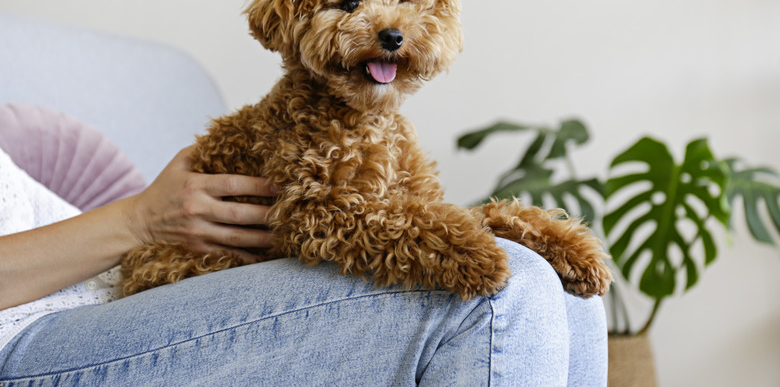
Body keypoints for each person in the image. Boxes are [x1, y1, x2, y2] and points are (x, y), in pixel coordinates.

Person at [0, 146, 607, 386]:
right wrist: (140, 219)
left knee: (565, 290)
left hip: (114, 295)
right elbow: (137, 227)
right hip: (24, 339)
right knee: (504, 289)